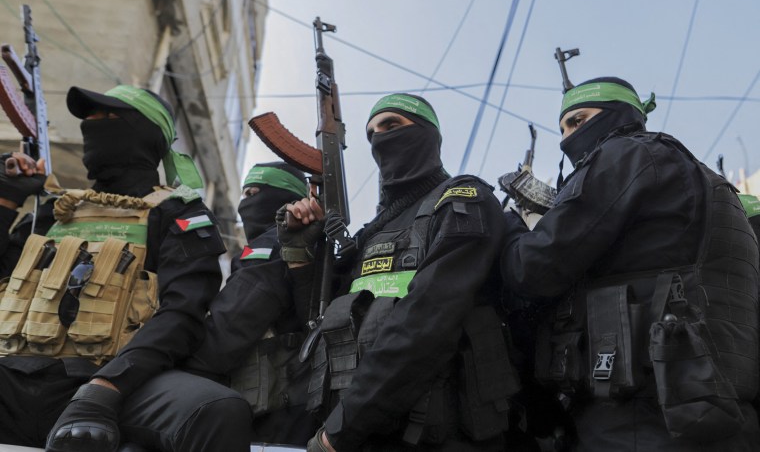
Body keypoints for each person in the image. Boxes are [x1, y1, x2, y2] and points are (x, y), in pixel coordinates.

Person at [500, 76, 760, 451]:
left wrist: (509, 227)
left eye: (579, 120)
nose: (566, 138)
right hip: (708, 409)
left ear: (618, 115)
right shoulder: (703, 179)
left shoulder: (627, 154)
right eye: (562, 128)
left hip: (640, 418)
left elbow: (533, 267)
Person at [0, 84, 251, 452]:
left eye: (109, 117)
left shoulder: (178, 212)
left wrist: (106, 388)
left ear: (147, 133)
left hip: (109, 380)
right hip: (13, 374)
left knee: (216, 410)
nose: (93, 126)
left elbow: (182, 312)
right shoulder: (56, 211)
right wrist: (7, 197)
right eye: (89, 119)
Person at [279, 93, 518, 451]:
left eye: (392, 125)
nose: (380, 138)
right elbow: (321, 325)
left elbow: (426, 322)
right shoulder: (371, 233)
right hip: (361, 430)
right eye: (372, 133)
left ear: (426, 133)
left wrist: (339, 431)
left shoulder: (463, 200)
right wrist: (300, 254)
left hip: (439, 434)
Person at [182, 161, 319, 446]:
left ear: (285, 198)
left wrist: (174, 366)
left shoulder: (270, 245)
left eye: (255, 193)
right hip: (280, 402)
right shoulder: (283, 244)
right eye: (244, 194)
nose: (245, 203)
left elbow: (231, 324)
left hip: (275, 409)